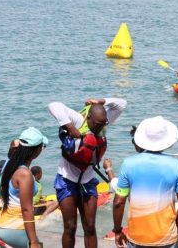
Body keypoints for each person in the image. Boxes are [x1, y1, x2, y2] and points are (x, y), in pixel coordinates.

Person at [48, 97, 127, 248]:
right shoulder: (79, 119)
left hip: (88, 181)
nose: (99, 128)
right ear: (89, 117)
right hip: (67, 180)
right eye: (97, 124)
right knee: (70, 227)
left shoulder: (102, 123)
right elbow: (54, 105)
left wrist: (101, 101)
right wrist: (70, 126)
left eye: (102, 124)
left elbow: (122, 104)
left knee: (90, 227)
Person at [112, 116, 178, 248]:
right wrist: (176, 227)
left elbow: (119, 202)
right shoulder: (176, 166)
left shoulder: (128, 164)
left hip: (137, 237)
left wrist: (118, 230)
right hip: (166, 238)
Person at [0, 127, 48, 248]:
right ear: (36, 150)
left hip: (0, 225)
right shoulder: (25, 174)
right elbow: (26, 209)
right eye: (42, 147)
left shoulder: (9, 164)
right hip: (16, 229)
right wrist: (33, 241)